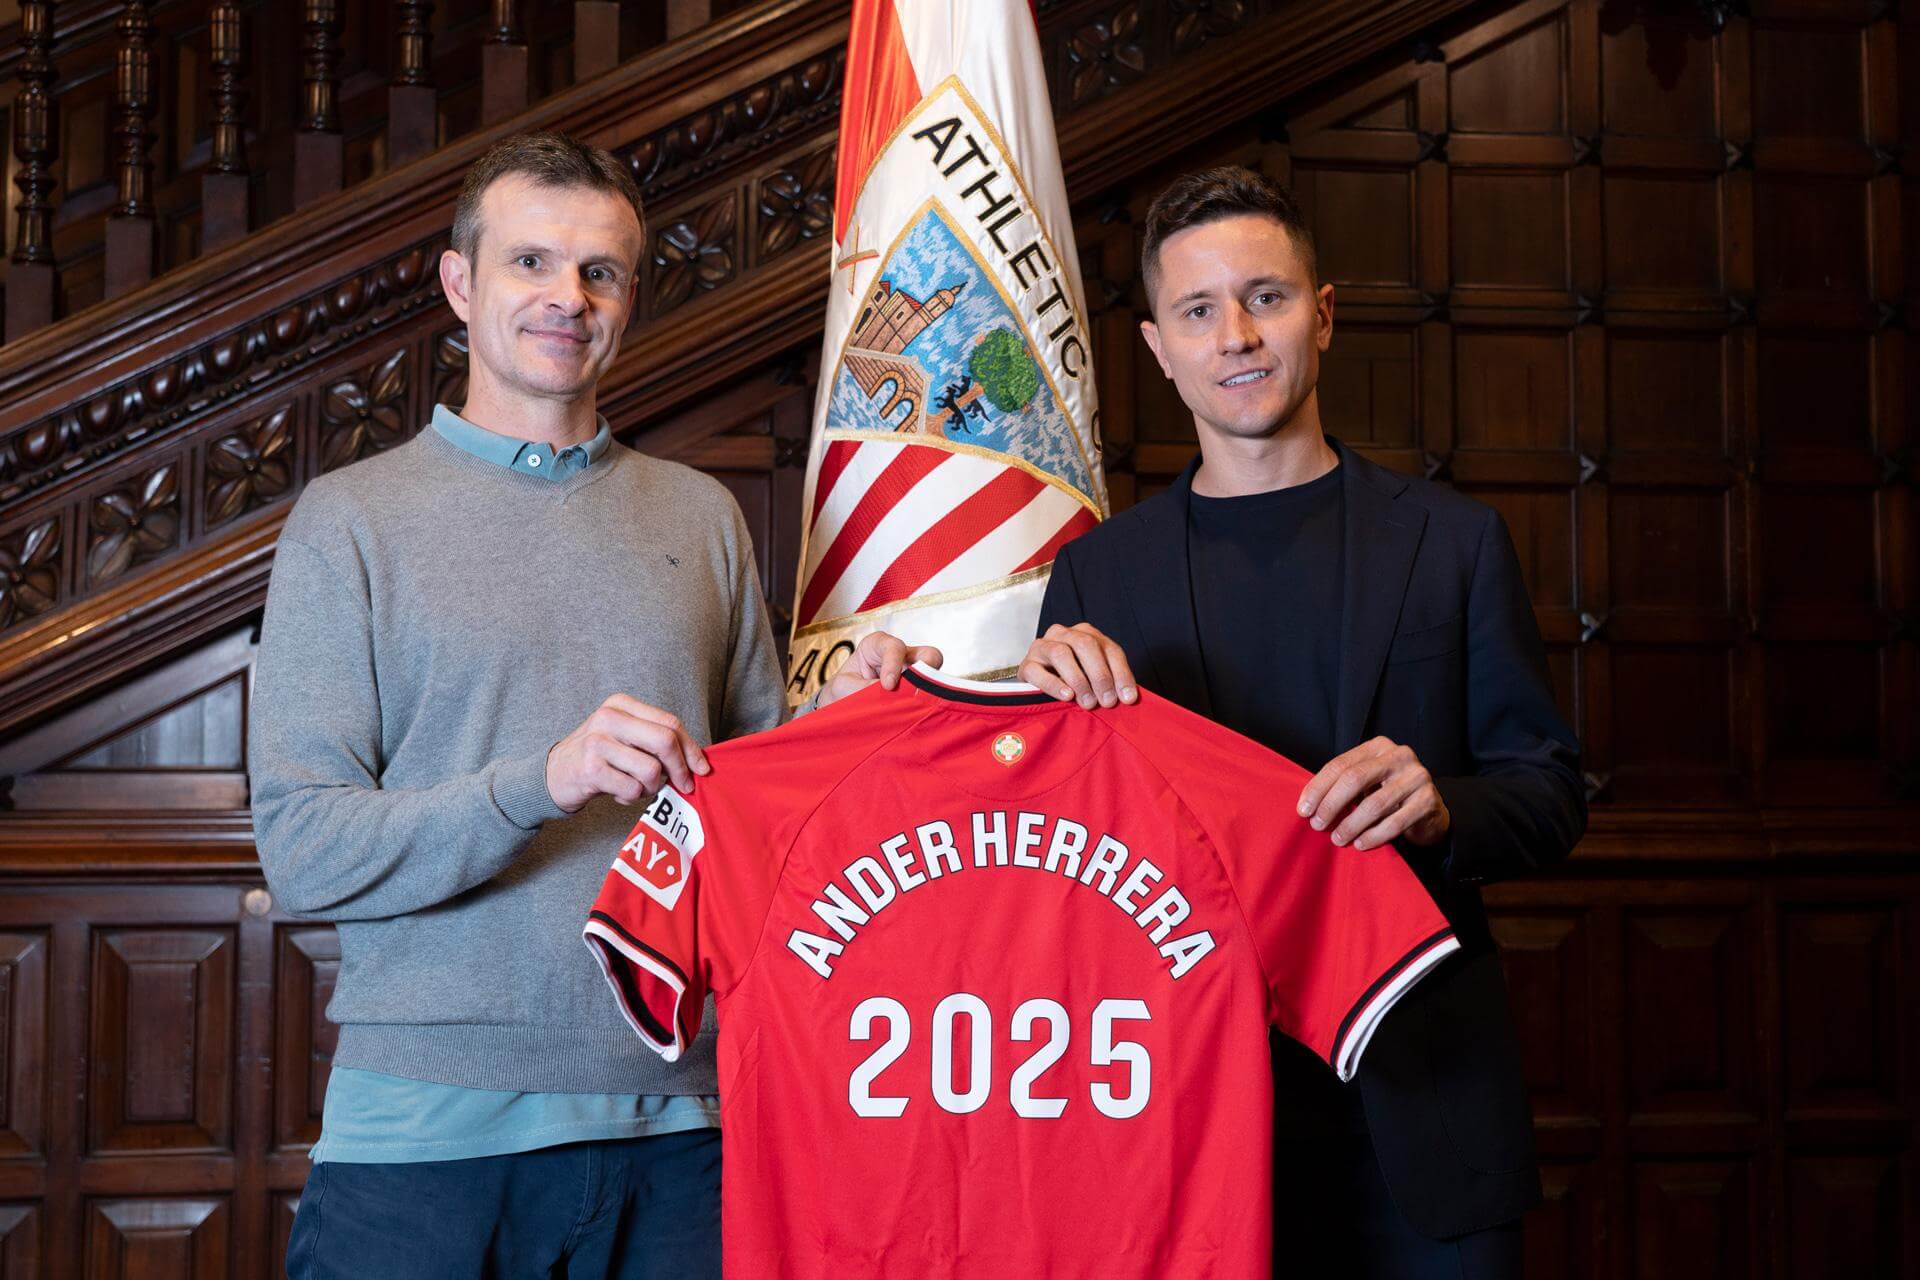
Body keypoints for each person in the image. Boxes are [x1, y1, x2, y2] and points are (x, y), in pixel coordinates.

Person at [248, 131, 936, 1280]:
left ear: (628, 300)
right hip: (426, 1140)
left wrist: (865, 726)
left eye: (600, 273)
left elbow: (768, 828)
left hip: (686, 1134)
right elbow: (307, 849)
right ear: (461, 284)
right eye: (530, 263)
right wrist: (543, 780)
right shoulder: (348, 519)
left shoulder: (702, 515)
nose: (567, 298)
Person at [1018, 166, 1585, 1278]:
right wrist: (1022, 725)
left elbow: (1550, 790)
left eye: (1265, 297)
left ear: (1323, 315)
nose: (1236, 335)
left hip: (1423, 1115)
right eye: (1198, 311)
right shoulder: (1096, 579)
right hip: (1183, 1122)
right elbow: (1051, 853)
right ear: (1158, 348)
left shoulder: (1454, 541)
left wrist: (1440, 807)